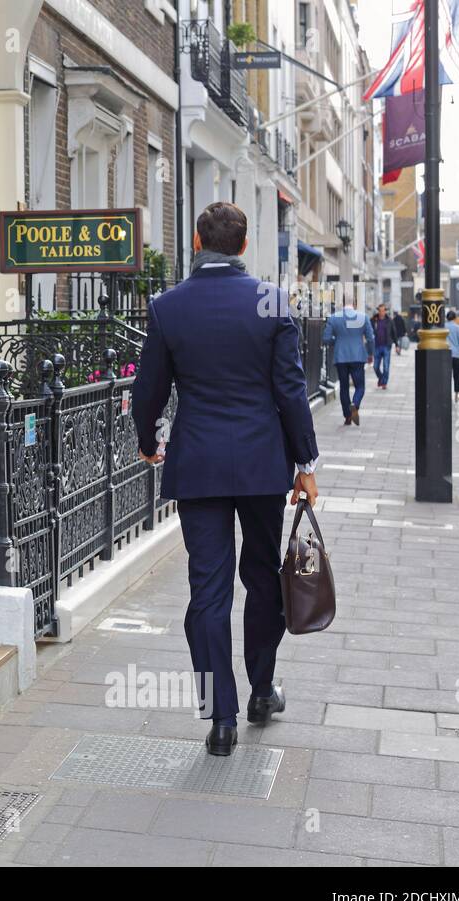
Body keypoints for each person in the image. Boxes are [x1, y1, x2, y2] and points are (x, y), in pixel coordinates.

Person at [132, 202, 319, 758]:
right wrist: (305, 465)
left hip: (199, 467)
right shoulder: (271, 302)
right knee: (264, 581)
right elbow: (291, 391)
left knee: (207, 593)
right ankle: (262, 690)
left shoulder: (168, 306)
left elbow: (149, 391)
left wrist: (150, 442)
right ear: (243, 246)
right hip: (263, 466)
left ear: (196, 241)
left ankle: (221, 718)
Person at [322, 300, 375, 425]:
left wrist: (338, 341)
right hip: (357, 356)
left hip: (341, 357)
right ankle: (355, 404)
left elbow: (326, 338)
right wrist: (371, 353)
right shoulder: (363, 317)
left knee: (344, 387)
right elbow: (370, 338)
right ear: (355, 304)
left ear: (342, 304)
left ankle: (347, 416)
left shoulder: (334, 318)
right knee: (360, 386)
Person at [371, 303, 395, 389]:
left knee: (386, 367)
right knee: (375, 367)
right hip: (377, 346)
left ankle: (384, 383)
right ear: (378, 311)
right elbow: (370, 331)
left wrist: (397, 345)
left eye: (383, 311)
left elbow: (393, 332)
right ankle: (381, 378)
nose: (381, 312)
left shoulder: (389, 321)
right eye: (380, 310)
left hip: (386, 346)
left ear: (385, 311)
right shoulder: (374, 320)